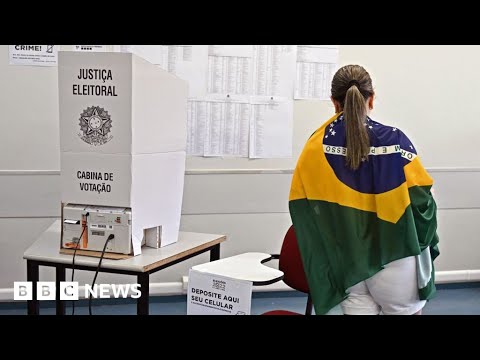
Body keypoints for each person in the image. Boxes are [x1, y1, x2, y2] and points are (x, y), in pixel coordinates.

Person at [289, 64, 439, 315]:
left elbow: (304, 208)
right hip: (395, 254)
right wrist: (423, 242)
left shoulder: (315, 146)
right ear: (372, 98)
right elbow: (422, 203)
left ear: (334, 102)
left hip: (347, 259)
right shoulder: (395, 141)